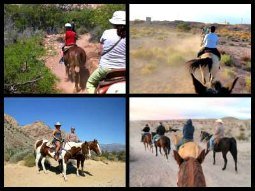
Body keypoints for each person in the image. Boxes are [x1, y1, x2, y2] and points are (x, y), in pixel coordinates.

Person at [86, 11, 126, 93]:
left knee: (90, 84)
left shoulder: (107, 32)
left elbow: (101, 51)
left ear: (114, 23)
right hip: (125, 69)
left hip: (105, 69)